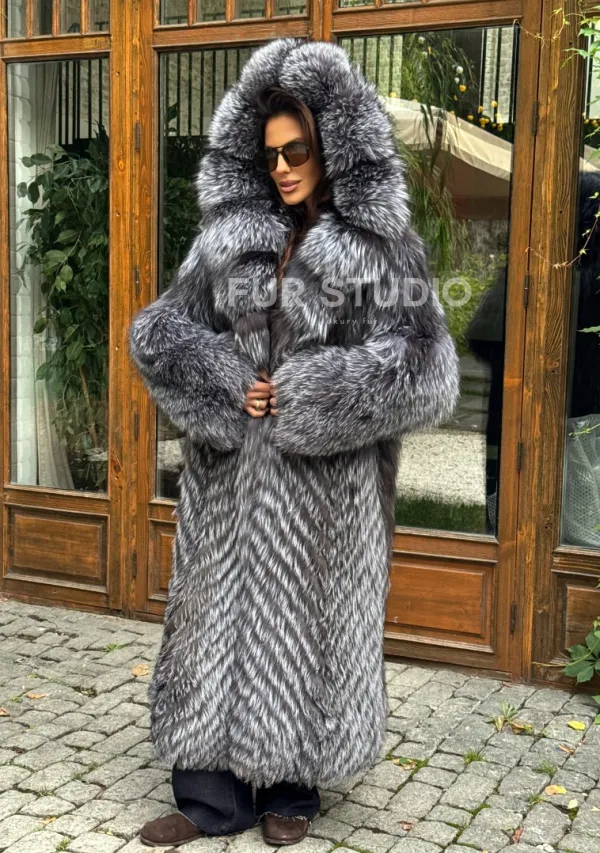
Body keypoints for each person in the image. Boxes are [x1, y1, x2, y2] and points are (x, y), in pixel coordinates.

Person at [128, 37, 460, 849]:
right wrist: (222, 378)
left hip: (328, 492)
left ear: (333, 147)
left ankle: (291, 788)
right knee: (209, 619)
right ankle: (209, 797)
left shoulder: (382, 250)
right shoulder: (225, 240)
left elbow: (426, 367)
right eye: (270, 153)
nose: (281, 167)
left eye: (297, 151)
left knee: (306, 627)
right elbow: (159, 334)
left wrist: (311, 392)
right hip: (227, 481)